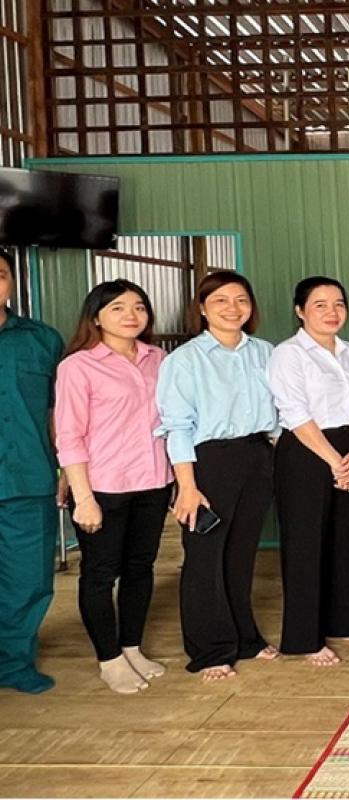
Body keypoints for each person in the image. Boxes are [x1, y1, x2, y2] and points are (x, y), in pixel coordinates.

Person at [156, 272, 281, 680]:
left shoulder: (265, 352)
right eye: (221, 300)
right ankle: (209, 650)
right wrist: (187, 488)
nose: (232, 308)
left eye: (241, 300)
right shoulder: (185, 360)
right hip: (208, 462)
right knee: (205, 557)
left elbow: (282, 410)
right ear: (202, 308)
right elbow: (177, 426)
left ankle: (244, 637)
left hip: (257, 455)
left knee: (241, 555)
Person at [54, 281, 173, 694]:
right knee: (100, 574)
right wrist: (83, 498)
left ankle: (131, 648)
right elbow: (69, 435)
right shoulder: (78, 366)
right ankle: (109, 659)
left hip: (154, 481)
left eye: (139, 307)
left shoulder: (159, 359)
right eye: (118, 307)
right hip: (102, 487)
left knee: (141, 568)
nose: (131, 315)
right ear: (96, 317)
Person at [268, 277, 349, 667]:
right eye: (320, 305)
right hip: (306, 450)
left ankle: (347, 622)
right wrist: (336, 461)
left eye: (338, 304)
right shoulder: (288, 354)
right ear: (300, 311)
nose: (332, 312)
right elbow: (295, 414)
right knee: (306, 543)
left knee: (346, 539)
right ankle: (305, 638)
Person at [0, 249, 64, 694]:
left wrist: (67, 468)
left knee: (27, 580)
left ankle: (14, 664)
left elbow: (60, 412)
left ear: (11, 282)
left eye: (0, 275)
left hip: (28, 478)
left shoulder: (42, 340)